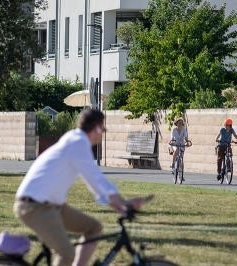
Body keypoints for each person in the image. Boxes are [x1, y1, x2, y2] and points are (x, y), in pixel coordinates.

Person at [14, 109, 150, 266]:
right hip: (34, 206)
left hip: (53, 206)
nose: (102, 134)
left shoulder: (75, 139)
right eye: (103, 129)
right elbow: (96, 178)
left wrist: (118, 206)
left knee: (94, 228)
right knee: (66, 253)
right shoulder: (78, 143)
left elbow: (94, 183)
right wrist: (123, 203)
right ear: (97, 128)